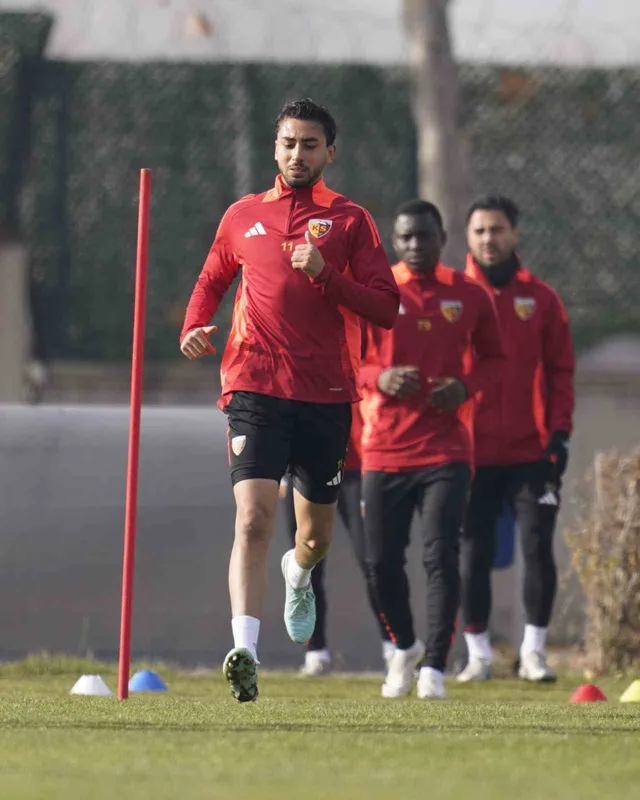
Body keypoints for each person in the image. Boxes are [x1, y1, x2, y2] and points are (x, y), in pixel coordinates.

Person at [179, 98, 399, 702]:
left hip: (326, 393)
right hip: (253, 383)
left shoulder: (351, 220)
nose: (296, 153)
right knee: (252, 518)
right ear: (274, 148)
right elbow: (211, 280)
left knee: (315, 538)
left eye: (309, 144)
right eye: (287, 143)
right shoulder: (242, 215)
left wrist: (327, 273)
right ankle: (245, 653)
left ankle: (297, 574)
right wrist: (193, 327)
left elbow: (386, 307)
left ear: (330, 152)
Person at [359, 199, 504, 700]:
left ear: (442, 238)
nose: (416, 245)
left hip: (446, 450)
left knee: (440, 556)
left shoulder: (469, 294)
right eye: (406, 237)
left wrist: (464, 387)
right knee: (379, 562)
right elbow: (347, 360)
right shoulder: (375, 291)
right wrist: (380, 377)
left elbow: (495, 360)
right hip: (383, 449)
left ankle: (435, 668)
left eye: (424, 235)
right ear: (394, 242)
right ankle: (404, 646)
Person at [457, 195, 575, 684]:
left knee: (537, 547)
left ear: (515, 234)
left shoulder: (542, 298)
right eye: (480, 230)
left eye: (498, 229)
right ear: (468, 237)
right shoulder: (455, 297)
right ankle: (478, 654)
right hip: (470, 452)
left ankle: (534, 652)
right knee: (472, 553)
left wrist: (560, 434)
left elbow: (561, 372)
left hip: (531, 451)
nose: (489, 238)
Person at [279, 404, 395, 676]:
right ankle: (315, 650)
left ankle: (394, 645)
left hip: (357, 466)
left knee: (372, 560)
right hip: (305, 467)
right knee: (306, 561)